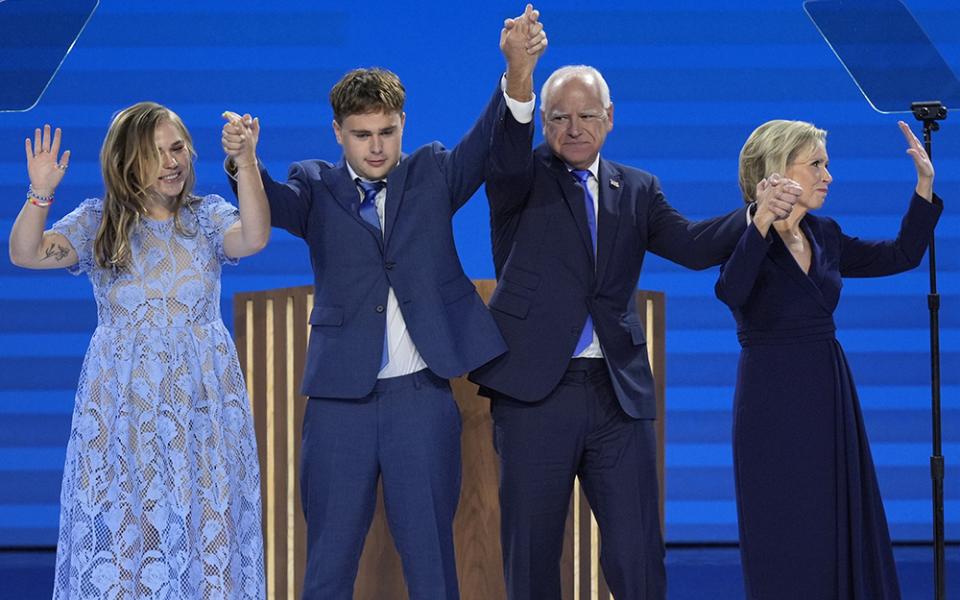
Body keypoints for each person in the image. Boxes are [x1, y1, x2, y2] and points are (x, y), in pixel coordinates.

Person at [220, 7, 547, 599]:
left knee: (431, 563)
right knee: (327, 566)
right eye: (362, 134)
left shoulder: (434, 173)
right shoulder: (314, 186)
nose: (377, 147)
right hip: (338, 404)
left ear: (403, 125)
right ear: (338, 133)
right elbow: (267, 204)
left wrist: (517, 74)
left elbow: (490, 142)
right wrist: (244, 161)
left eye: (388, 132)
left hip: (420, 401)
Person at [469, 64, 797, 599]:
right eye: (559, 118)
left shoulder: (638, 188)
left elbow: (692, 245)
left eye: (587, 116)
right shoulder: (518, 178)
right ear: (543, 122)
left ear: (610, 118)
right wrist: (518, 77)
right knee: (530, 554)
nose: (574, 128)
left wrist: (754, 213)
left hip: (616, 396)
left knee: (637, 553)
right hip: (532, 397)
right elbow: (506, 143)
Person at [9, 103, 270, 599]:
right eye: (155, 154)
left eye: (177, 149)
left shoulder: (208, 216)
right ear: (127, 162)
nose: (171, 163)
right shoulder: (98, 223)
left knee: (204, 530)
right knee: (131, 540)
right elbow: (25, 252)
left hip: (201, 410)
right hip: (124, 412)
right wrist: (40, 192)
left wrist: (248, 162)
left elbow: (254, 238)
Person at [715, 119, 941, 599]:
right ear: (778, 171)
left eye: (827, 164)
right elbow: (731, 290)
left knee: (832, 517)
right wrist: (759, 224)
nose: (828, 176)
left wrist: (923, 187)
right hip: (770, 400)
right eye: (816, 164)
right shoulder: (741, 231)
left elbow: (901, 255)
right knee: (782, 522)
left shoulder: (825, 233)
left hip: (827, 391)